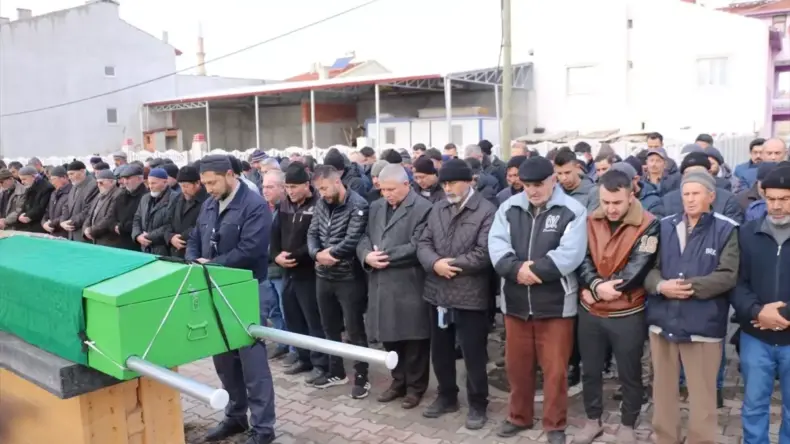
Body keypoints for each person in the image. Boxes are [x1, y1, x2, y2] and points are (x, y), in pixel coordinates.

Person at [488, 156, 587, 443]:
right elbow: (497, 246)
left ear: (553, 180)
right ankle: (518, 417)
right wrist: (516, 270)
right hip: (516, 303)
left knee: (555, 372)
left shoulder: (573, 210)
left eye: (538, 184)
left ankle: (554, 425)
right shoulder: (508, 208)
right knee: (517, 368)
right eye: (527, 185)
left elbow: (570, 254)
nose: (532, 190)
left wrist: (532, 271)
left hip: (555, 305)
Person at [185, 155, 276, 444]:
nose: (208, 188)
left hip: (246, 290)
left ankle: (263, 428)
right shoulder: (209, 204)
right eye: (204, 183)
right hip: (214, 290)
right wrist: (192, 261)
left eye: (212, 182)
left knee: (252, 363)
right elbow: (194, 237)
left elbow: (251, 249)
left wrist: (210, 265)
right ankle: (235, 416)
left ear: (229, 175)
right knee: (224, 360)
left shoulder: (254, 206)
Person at [644, 170, 739, 444]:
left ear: (711, 196)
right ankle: (665, 439)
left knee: (703, 396)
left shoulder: (726, 229)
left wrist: (688, 288)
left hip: (702, 325)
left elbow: (727, 274)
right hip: (663, 321)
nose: (690, 199)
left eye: (696, 193)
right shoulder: (662, 226)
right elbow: (648, 269)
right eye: (686, 194)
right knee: (663, 392)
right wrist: (661, 286)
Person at [574, 170, 659, 444]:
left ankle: (628, 423)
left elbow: (638, 266)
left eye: (616, 203)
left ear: (631, 195)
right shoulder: (589, 221)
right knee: (590, 370)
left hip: (628, 312)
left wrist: (597, 291)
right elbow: (582, 258)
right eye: (605, 202)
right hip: (592, 313)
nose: (610, 208)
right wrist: (596, 286)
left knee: (630, 373)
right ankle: (592, 419)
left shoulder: (649, 225)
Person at [417, 159, 496, 430]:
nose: (448, 188)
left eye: (453, 182)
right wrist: (434, 263)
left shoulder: (486, 210)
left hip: (470, 294)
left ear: (469, 181)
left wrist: (448, 265)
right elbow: (424, 242)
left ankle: (477, 403)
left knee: (473, 353)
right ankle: (447, 396)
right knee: (440, 351)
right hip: (437, 291)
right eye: (445, 183)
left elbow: (484, 253)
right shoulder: (438, 207)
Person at [357, 164, 433, 409]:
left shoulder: (423, 208)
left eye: (392, 189)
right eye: (383, 189)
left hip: (409, 282)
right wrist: (366, 255)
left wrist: (385, 256)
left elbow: (418, 244)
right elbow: (364, 237)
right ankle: (398, 382)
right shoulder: (376, 207)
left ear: (406, 185)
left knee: (414, 339)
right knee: (390, 337)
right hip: (380, 283)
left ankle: (416, 387)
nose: (387, 194)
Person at [732, 166, 790, 444]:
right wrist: (757, 312)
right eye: (772, 198)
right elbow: (736, 283)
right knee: (754, 407)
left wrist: (782, 315)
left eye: (785, 198)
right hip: (756, 335)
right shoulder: (747, 234)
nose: (777, 206)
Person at [306, 165, 371, 397]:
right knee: (329, 327)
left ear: (337, 181)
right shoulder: (322, 204)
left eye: (324, 188)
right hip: (323, 276)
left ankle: (362, 376)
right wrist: (316, 254)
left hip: (348, 277)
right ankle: (336, 371)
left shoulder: (358, 205)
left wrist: (330, 255)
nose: (321, 193)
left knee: (354, 330)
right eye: (318, 189)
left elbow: (353, 238)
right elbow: (312, 233)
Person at [272, 162, 329, 378]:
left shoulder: (319, 205)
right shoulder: (284, 205)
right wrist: (276, 255)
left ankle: (321, 363)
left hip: (309, 273)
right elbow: (274, 233)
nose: (290, 191)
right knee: (293, 317)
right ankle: (303, 358)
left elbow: (319, 240)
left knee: (313, 320)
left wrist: (295, 256)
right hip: (287, 272)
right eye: (287, 187)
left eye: (294, 187)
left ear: (306, 185)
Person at [164, 166, 208, 258]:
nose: (183, 190)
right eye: (181, 186)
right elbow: (167, 221)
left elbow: (202, 226)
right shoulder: (177, 199)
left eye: (186, 186)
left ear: (197, 183)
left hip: (195, 253)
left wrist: (180, 238)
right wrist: (170, 237)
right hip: (174, 252)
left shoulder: (207, 201)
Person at [132, 168, 176, 255]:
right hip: (145, 249)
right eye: (149, 183)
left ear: (165, 182)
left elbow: (170, 224)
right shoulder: (145, 198)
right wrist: (137, 235)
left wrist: (148, 236)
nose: (150, 186)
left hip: (164, 250)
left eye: (154, 183)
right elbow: (137, 218)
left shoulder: (175, 198)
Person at [60, 161, 99, 242]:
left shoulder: (93, 185)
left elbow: (89, 210)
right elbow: (66, 206)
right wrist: (62, 221)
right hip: (71, 234)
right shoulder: (74, 186)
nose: (69, 177)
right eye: (68, 174)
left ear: (82, 171)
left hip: (83, 235)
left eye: (72, 174)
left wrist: (71, 222)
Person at [82, 169, 123, 246]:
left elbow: (109, 218)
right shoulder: (99, 195)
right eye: (97, 183)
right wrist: (85, 229)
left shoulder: (118, 194)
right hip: (96, 239)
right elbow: (90, 214)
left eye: (101, 182)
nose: (98, 185)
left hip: (109, 241)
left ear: (111, 182)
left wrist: (91, 230)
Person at [114, 165, 147, 251]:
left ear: (139, 179)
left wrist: (121, 227)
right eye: (124, 179)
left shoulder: (146, 197)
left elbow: (141, 221)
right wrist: (114, 225)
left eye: (128, 179)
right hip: (120, 242)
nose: (125, 182)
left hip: (137, 244)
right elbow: (112, 215)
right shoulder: (121, 195)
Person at [14, 166, 54, 232]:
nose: (22, 182)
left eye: (24, 179)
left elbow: (41, 207)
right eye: (21, 179)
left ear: (33, 176)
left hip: (39, 225)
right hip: (28, 223)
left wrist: (28, 216)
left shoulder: (46, 188)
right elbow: (25, 205)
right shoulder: (30, 187)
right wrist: (20, 216)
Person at [41, 166, 72, 237]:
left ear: (64, 177)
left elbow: (67, 214)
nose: (52, 182)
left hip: (64, 233)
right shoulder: (54, 193)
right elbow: (47, 211)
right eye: (50, 180)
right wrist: (44, 223)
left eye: (54, 179)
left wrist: (50, 224)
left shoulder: (71, 193)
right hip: (52, 231)